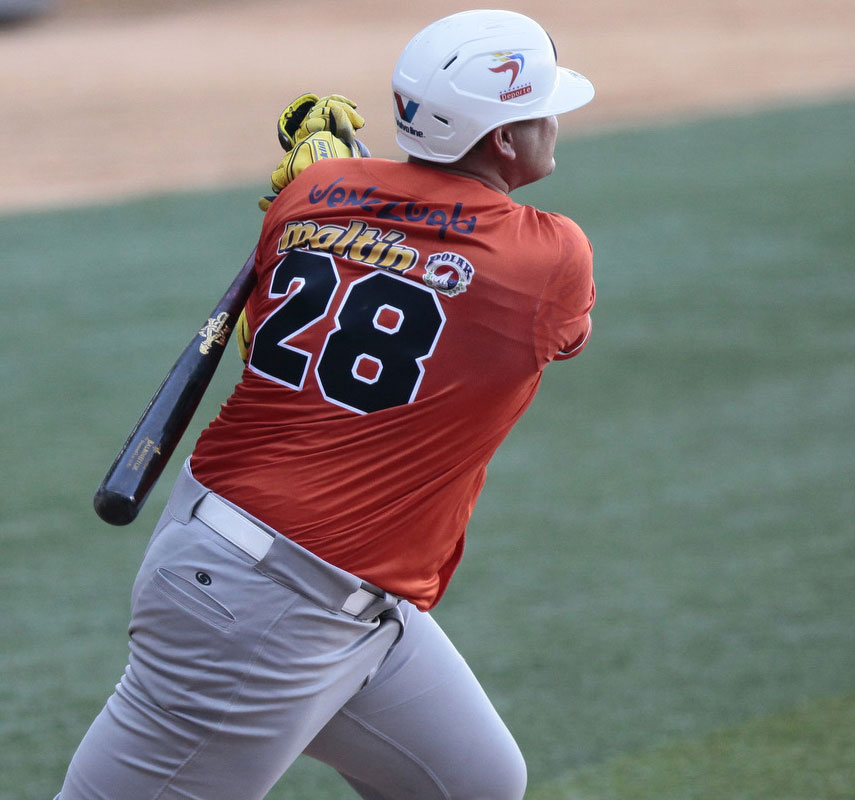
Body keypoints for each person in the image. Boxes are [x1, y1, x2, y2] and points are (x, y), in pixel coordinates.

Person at [56, 9, 595, 799]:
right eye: (538, 110)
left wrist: (345, 186)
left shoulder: (311, 193)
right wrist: (370, 197)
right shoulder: (550, 259)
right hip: (260, 603)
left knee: (472, 783)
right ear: (504, 142)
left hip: (323, 588)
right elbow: (484, 282)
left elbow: (273, 333)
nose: (553, 122)